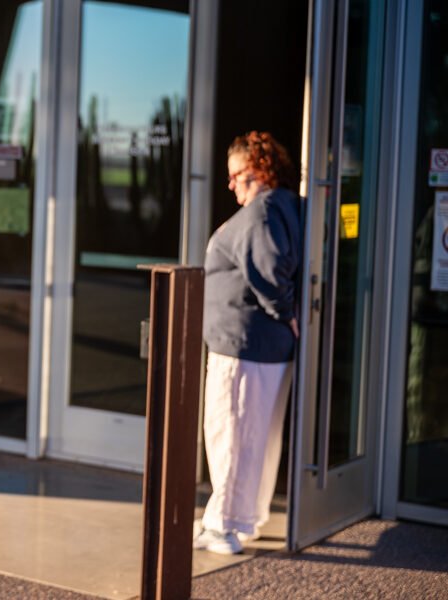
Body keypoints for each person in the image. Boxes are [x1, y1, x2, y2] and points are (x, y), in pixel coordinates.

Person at [194, 131, 302, 555]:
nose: (231, 184)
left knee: (232, 434)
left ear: (257, 171)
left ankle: (226, 527)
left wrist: (286, 312)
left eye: (235, 175)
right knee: (252, 435)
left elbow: (269, 270)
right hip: (254, 347)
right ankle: (242, 519)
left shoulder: (262, 212)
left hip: (244, 346)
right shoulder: (279, 208)